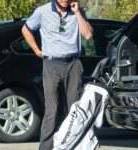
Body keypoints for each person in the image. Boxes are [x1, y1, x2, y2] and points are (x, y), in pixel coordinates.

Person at [22, 0, 93, 149]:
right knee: (51, 111)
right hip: (51, 64)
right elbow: (26, 29)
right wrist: (36, 50)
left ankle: (70, 145)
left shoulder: (78, 11)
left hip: (73, 64)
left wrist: (78, 13)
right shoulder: (43, 11)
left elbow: (87, 35)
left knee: (73, 110)